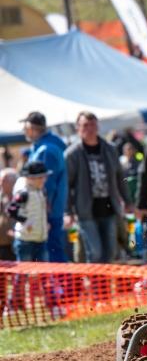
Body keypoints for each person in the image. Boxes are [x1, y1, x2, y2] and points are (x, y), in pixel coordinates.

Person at [65, 112, 131, 263]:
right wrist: (68, 212)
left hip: (109, 208)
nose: (89, 129)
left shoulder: (110, 149)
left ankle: (105, 279)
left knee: (111, 252)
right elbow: (66, 186)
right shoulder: (72, 154)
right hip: (85, 211)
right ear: (78, 128)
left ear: (98, 126)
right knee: (94, 253)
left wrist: (128, 201)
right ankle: (94, 279)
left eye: (92, 125)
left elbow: (120, 178)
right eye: (85, 125)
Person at [20, 111, 68, 262]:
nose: (24, 131)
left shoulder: (46, 150)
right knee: (52, 251)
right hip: (49, 211)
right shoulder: (44, 147)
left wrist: (44, 212)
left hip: (48, 212)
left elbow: (47, 184)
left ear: (34, 128)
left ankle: (61, 278)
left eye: (26, 128)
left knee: (52, 253)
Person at [8, 161, 50, 261]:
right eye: (40, 178)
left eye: (45, 177)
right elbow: (11, 210)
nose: (43, 180)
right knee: (25, 268)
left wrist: (45, 223)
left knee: (42, 268)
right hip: (25, 240)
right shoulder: (23, 193)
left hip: (41, 239)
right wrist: (26, 221)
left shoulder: (41, 191)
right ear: (29, 178)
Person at [0, 169, 17, 260]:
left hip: (15, 242)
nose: (1, 184)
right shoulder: (1, 197)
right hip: (2, 243)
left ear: (13, 182)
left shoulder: (20, 198)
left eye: (4, 181)